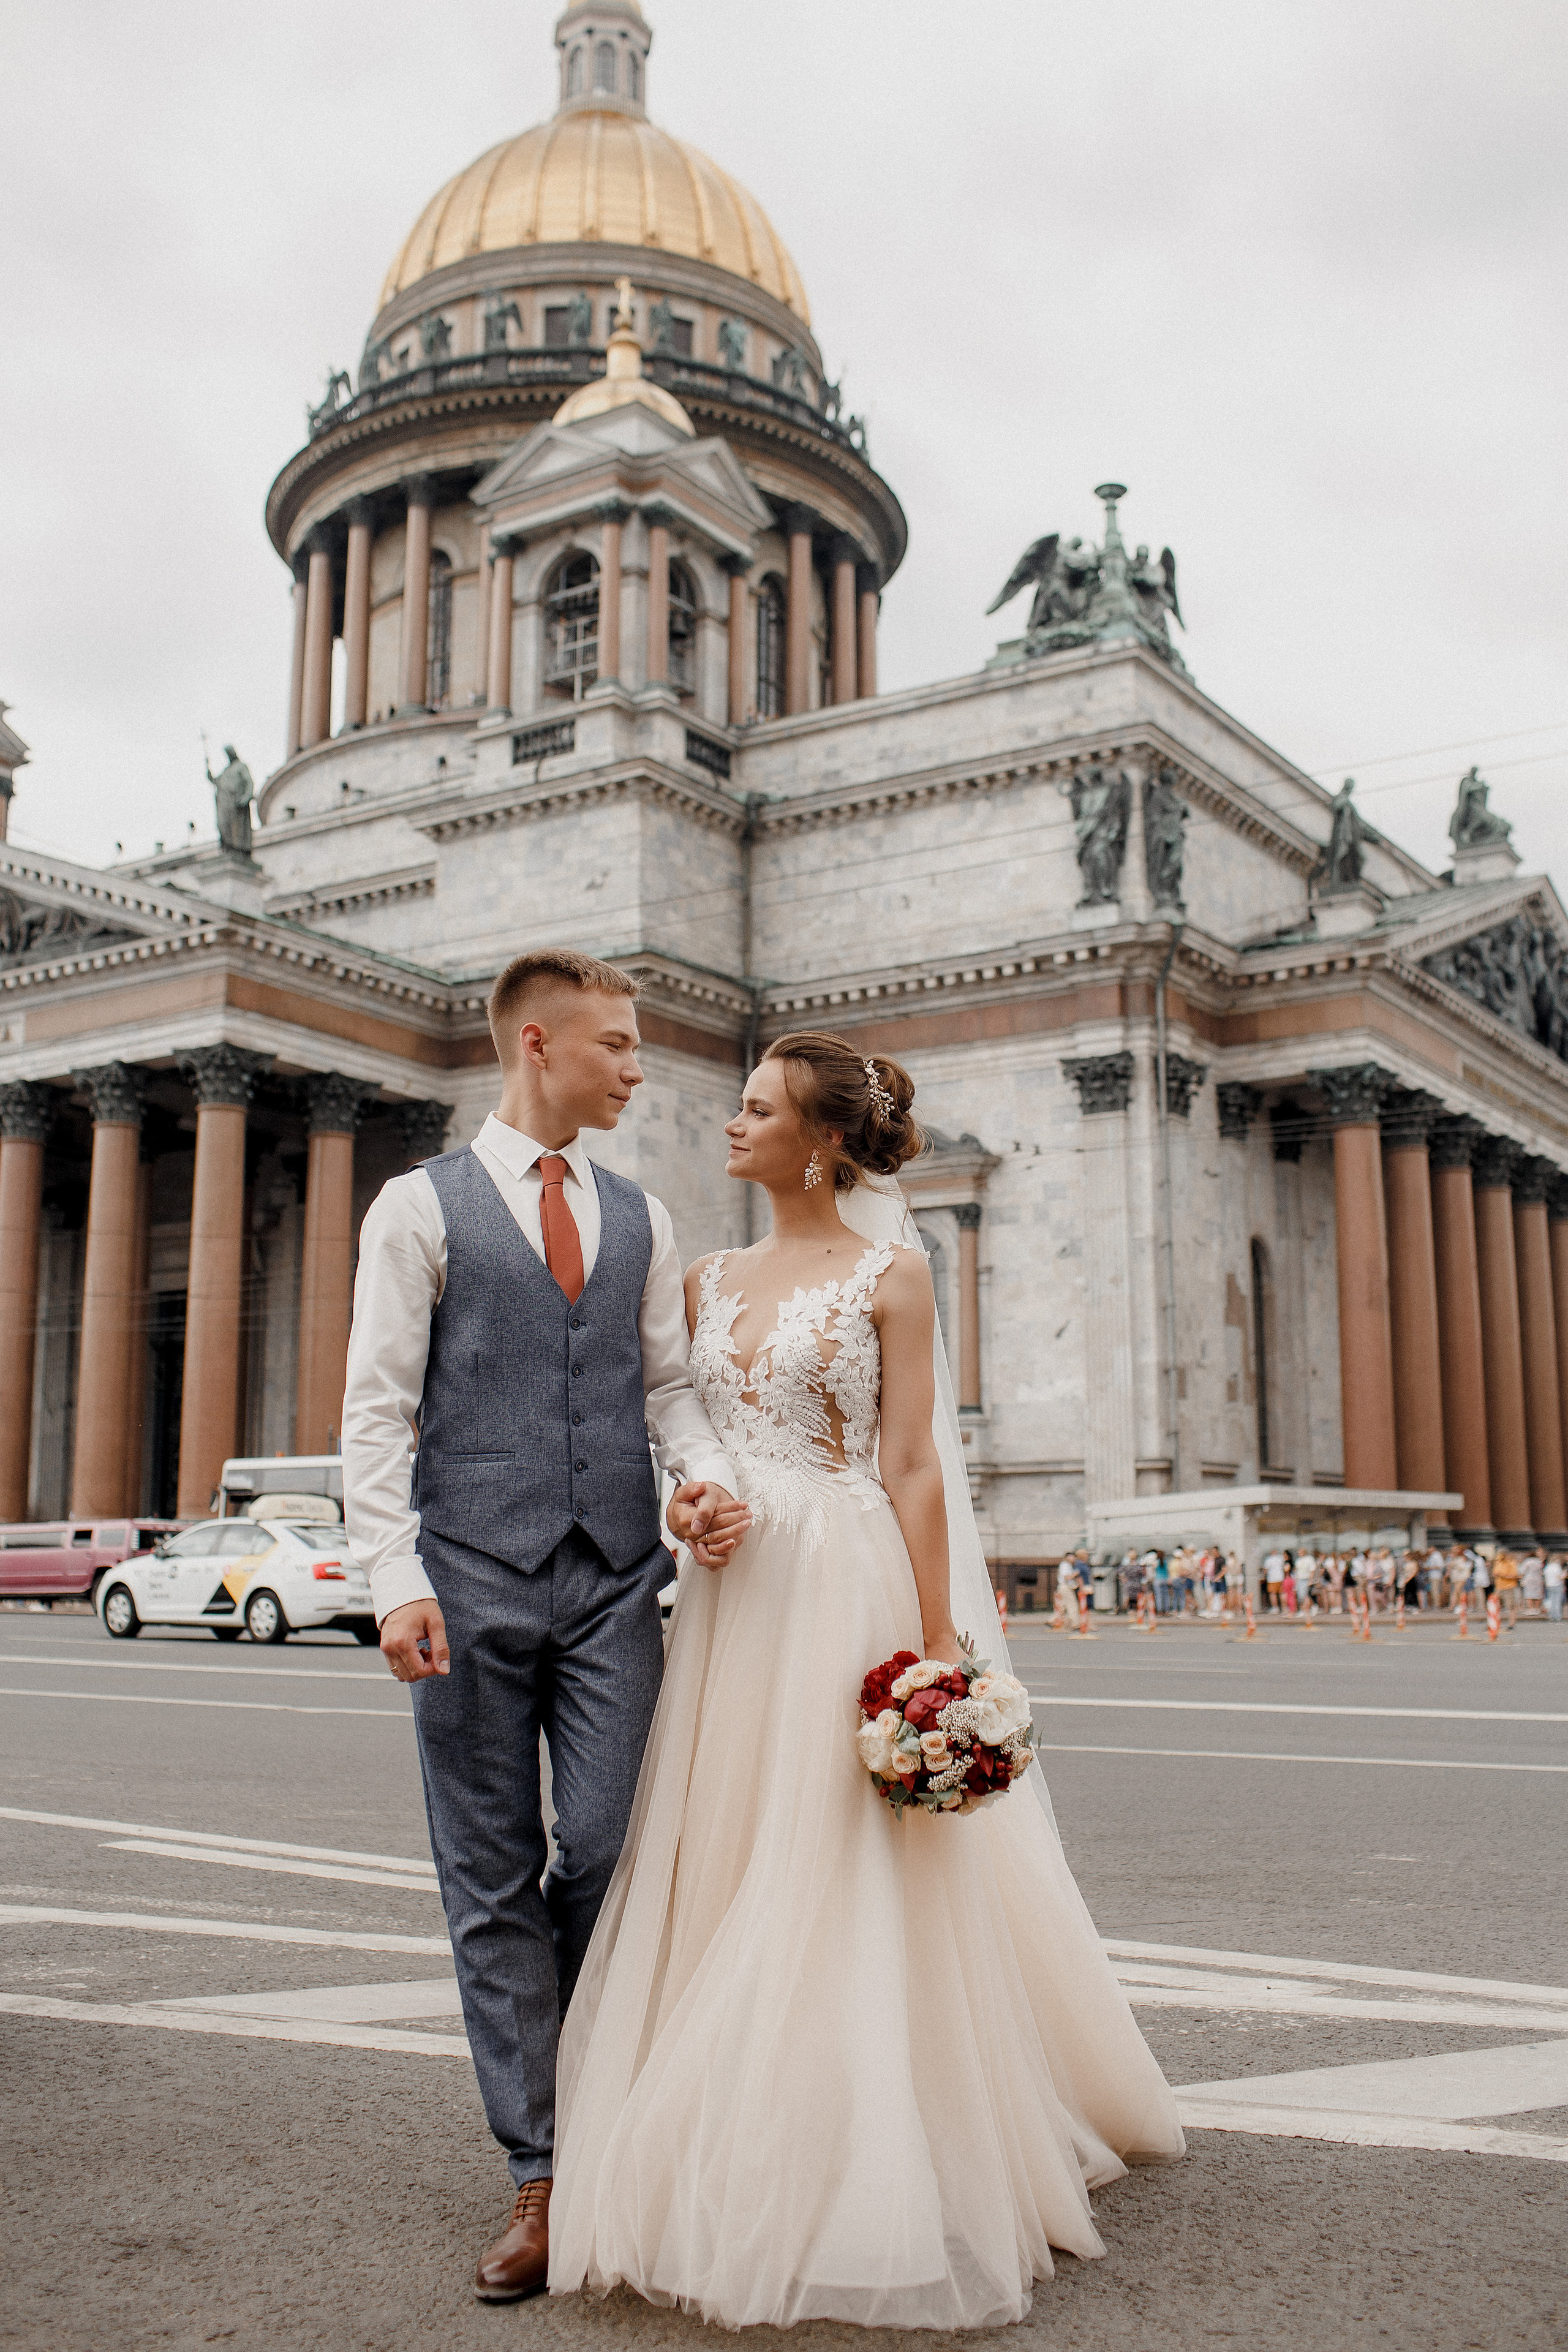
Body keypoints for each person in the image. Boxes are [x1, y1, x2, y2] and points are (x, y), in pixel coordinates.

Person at [549, 1032, 1184, 2327]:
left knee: (836, 1851)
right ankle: (740, 2117)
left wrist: (940, 1643)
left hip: (845, 1579)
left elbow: (909, 1467)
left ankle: (866, 2134)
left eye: (757, 1109)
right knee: (729, 1842)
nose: (733, 1125)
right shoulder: (705, 1278)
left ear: (824, 1141)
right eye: (738, 1105)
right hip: (731, 1593)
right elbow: (682, 1438)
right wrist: (690, 1507)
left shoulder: (893, 1275)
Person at [341, 949, 751, 2304]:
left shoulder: (641, 1213)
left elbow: (668, 1388)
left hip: (615, 1578)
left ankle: (591, 2081)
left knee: (618, 1847)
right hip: (463, 1585)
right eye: (616, 1044)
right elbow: (377, 1410)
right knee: (489, 1875)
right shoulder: (419, 1206)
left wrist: (702, 1480)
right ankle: (545, 2167)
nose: (636, 1065)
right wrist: (395, 1579)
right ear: (536, 1044)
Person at [1521, 1550, 1546, 1618]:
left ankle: (1531, 1609)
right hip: (1538, 1579)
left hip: (1529, 1579)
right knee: (1538, 1595)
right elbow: (1542, 1571)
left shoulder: (1527, 1561)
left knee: (1529, 1595)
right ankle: (1537, 1609)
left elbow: (1523, 1571)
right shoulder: (1539, 1561)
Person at [1545, 1554, 1566, 1624]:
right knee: (1557, 1602)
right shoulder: (1557, 1567)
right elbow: (1559, 1577)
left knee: (1551, 1602)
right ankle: (1558, 1617)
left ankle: (1551, 1617)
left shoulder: (1547, 1567)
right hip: (1557, 1585)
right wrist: (1565, 1574)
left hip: (1549, 1586)